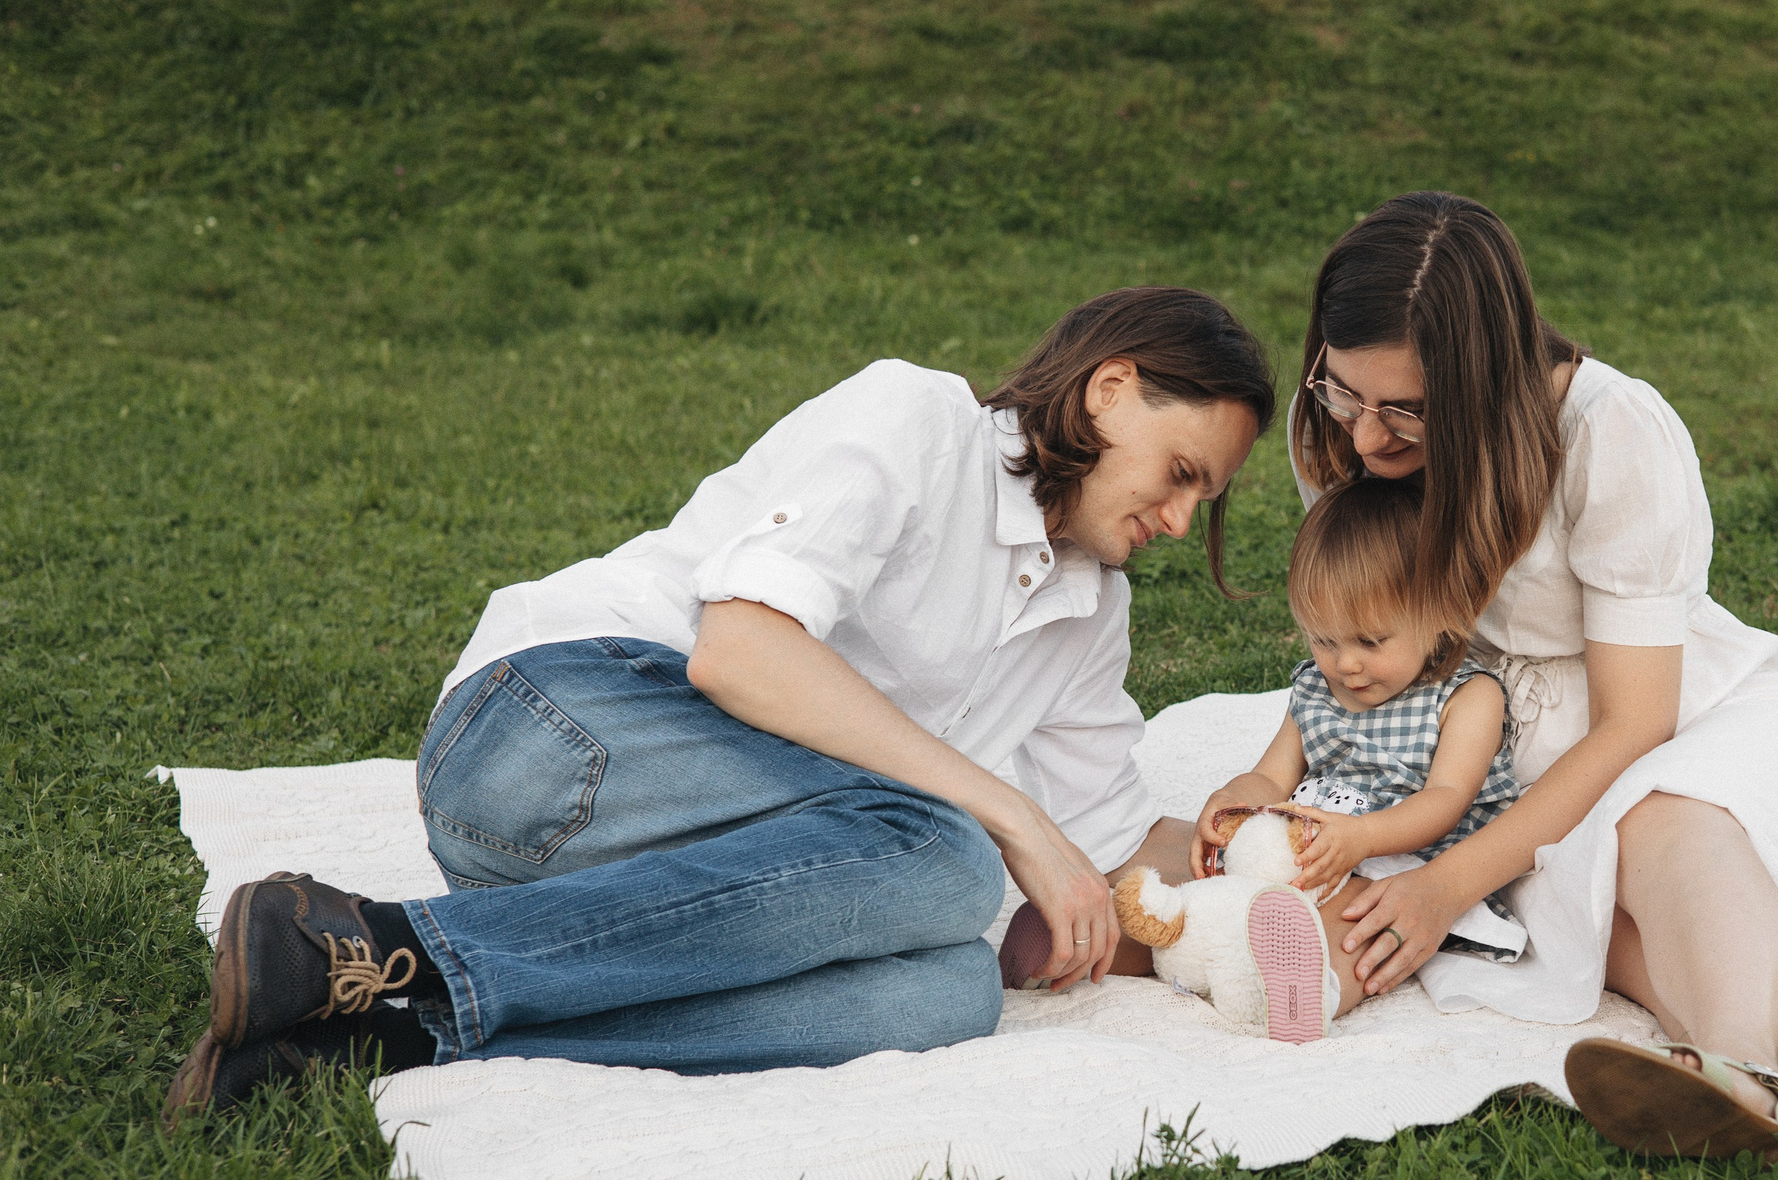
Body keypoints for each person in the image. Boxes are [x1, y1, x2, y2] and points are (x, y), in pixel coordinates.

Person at [164, 287, 1271, 1121]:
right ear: (1110, 389)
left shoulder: (1088, 615)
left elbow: (1117, 849)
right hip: (551, 728)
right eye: (1180, 473)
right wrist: (1013, 818)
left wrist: (1288, 858)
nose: (1179, 520)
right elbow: (740, 654)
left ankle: (373, 1027)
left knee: (943, 994)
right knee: (949, 856)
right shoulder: (921, 422)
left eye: (1201, 500)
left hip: (657, 879)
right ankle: (392, 937)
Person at [1286, 193, 1778, 1160]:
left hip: (1675, 720)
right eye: (1345, 392)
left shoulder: (1610, 433)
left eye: (1409, 412)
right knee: (1614, 936)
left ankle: (1740, 1081)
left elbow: (1636, 724)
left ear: (1483, 389)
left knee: (1662, 827)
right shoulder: (1348, 433)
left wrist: (1448, 882)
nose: (1369, 438)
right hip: (1495, 755)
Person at [1177, 474, 1527, 1028]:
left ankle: (1313, 992)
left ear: (1438, 613)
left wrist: (1361, 838)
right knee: (1206, 885)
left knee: (1356, 919)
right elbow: (1270, 777)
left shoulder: (1466, 695)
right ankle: (1138, 940)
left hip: (1407, 865)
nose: (1345, 665)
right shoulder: (1317, 689)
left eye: (1369, 641)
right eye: (1324, 639)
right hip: (1319, 852)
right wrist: (1229, 805)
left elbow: (1446, 800)